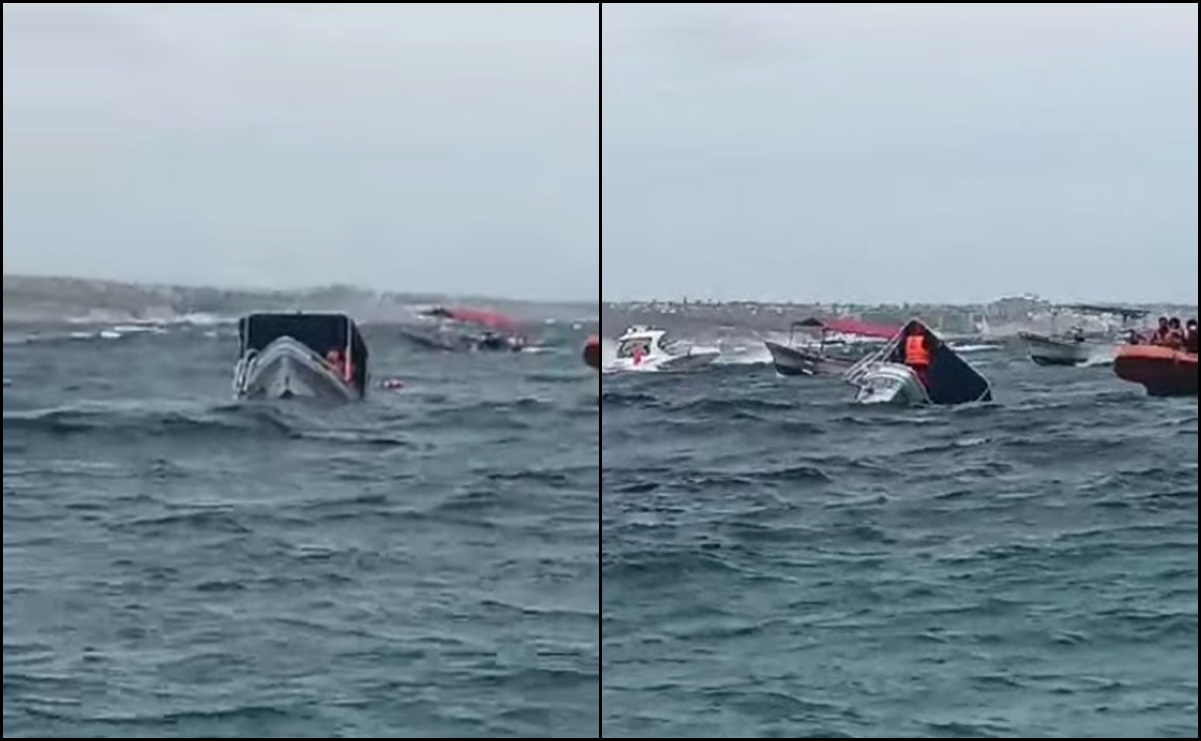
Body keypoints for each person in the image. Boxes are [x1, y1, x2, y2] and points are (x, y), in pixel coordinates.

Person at [903, 324, 932, 389]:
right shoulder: (924, 338)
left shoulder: (908, 339)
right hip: (921, 362)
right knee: (921, 377)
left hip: (910, 361)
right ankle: (924, 388)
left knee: (913, 377)